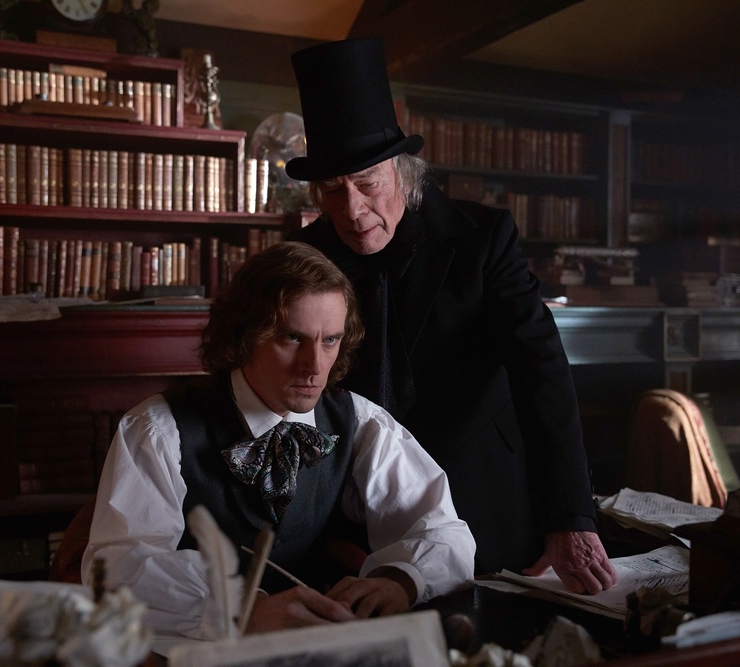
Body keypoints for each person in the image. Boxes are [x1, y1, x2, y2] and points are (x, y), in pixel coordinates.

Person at [286, 38, 617, 595]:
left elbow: (541, 371)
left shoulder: (484, 239)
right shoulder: (306, 256)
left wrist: (569, 515)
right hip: (352, 513)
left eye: (367, 184)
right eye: (333, 190)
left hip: (483, 497)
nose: (352, 210)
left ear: (402, 172)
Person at [82, 240, 475, 639]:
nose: (314, 366)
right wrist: (241, 611)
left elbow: (445, 532)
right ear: (245, 335)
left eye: (330, 340)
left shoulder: (361, 421)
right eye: (291, 337)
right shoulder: (158, 427)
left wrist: (401, 580)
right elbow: (118, 566)